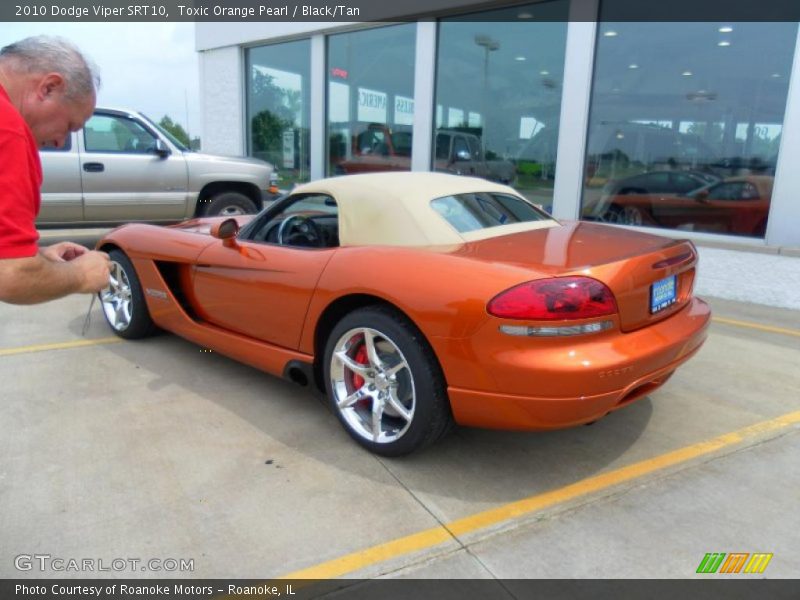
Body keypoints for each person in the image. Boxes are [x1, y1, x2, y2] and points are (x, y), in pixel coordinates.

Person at [0, 36, 110, 305]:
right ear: (49, 87)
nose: (61, 142)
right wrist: (81, 274)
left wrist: (38, 258)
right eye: (70, 125)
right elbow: (10, 275)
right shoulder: (8, 129)